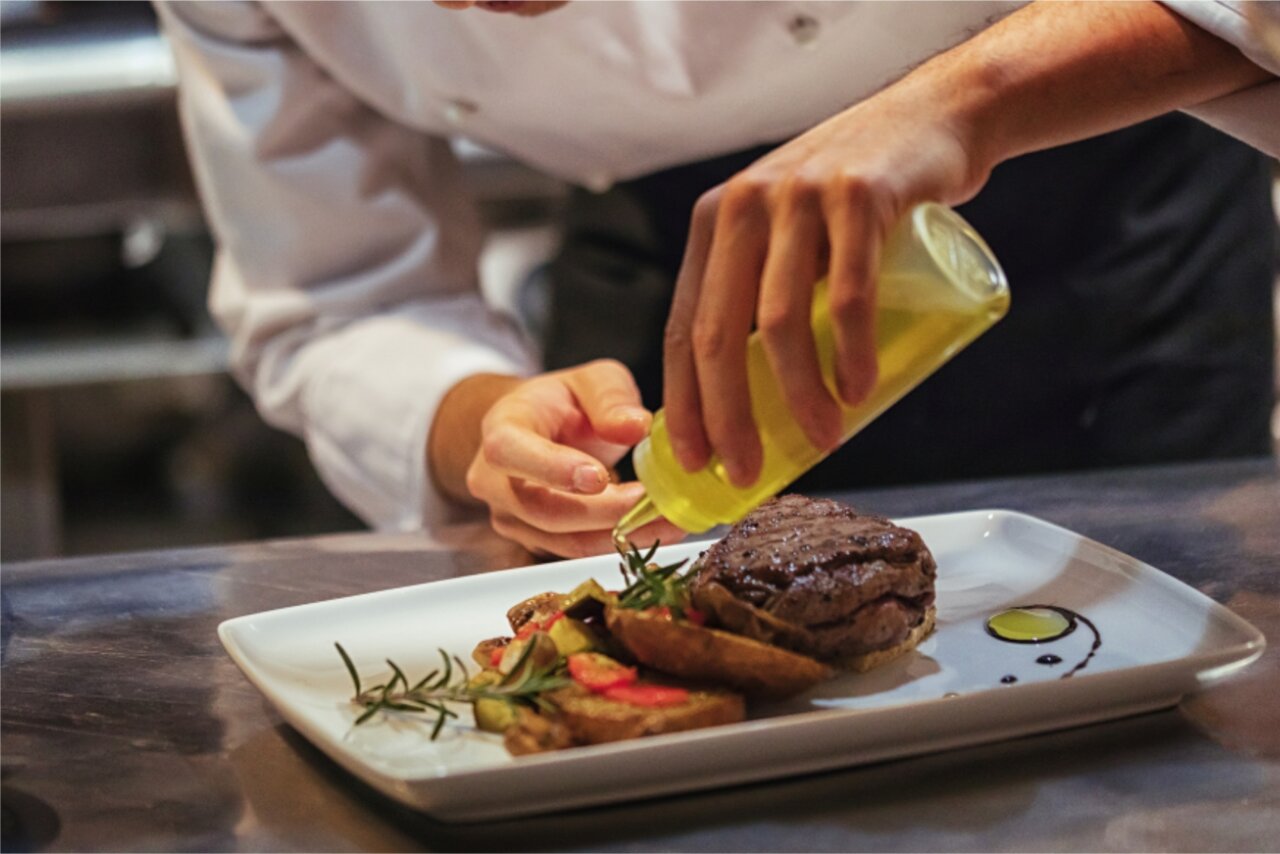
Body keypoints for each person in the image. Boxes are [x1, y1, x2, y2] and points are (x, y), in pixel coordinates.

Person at [154, 1, 1278, 557]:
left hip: (1079, 186)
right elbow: (341, 296)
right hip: (663, 257)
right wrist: (486, 427)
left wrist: (962, 103)